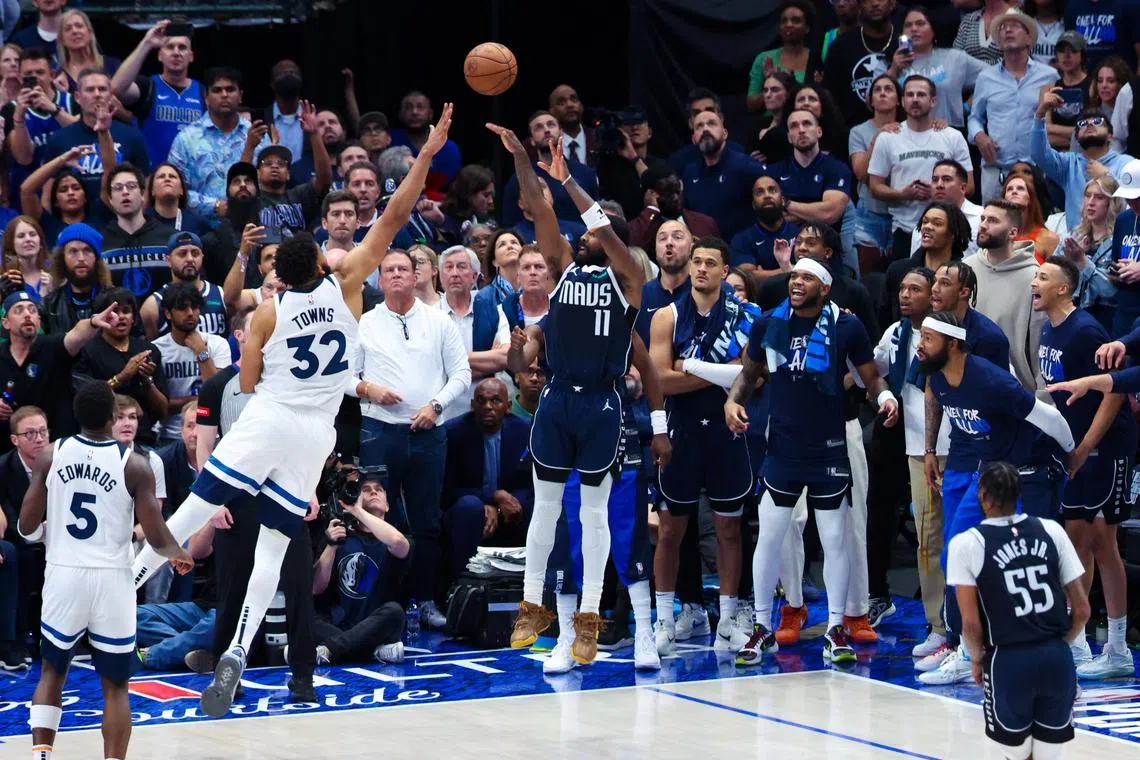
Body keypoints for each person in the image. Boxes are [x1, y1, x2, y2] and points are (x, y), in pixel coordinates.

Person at [128, 102, 455, 718]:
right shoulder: (351, 283)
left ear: (281, 270)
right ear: (326, 264)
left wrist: (260, 331)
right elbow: (393, 215)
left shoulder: (270, 312)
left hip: (269, 418)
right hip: (316, 436)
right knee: (276, 551)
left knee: (195, 506)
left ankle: (119, 598)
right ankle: (237, 654)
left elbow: (246, 379)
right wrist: (429, 152)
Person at [487, 124, 664, 667]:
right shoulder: (563, 271)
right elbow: (538, 209)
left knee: (594, 515)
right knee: (546, 509)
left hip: (604, 404)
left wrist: (570, 184)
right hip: (558, 399)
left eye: (594, 230)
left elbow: (602, 231)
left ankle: (589, 617)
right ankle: (533, 606)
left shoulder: (630, 275)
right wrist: (523, 158)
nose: (584, 235)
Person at [726, 258, 899, 666]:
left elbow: (870, 377)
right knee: (770, 536)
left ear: (825, 287)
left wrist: (886, 398)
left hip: (828, 447)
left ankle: (836, 626)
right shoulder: (769, 324)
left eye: (807, 277)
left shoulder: (846, 326)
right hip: (783, 446)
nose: (797, 282)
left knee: (836, 539)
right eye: (794, 276)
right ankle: (762, 628)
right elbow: (748, 376)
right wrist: (733, 402)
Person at [17, 380, 191, 760]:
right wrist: (179, 553)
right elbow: (158, 536)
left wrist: (52, 531)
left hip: (66, 574)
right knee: (116, 686)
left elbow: (26, 528)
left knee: (52, 672)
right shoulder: (135, 465)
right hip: (113, 579)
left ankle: (41, 756)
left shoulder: (51, 454)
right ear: (113, 418)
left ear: (75, 416)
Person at [917, 311, 1076, 686]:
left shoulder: (992, 381)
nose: (920, 346)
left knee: (1036, 562)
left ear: (953, 345)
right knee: (954, 551)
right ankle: (963, 649)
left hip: (1031, 473)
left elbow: (1049, 418)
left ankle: (1059, 656)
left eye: (928, 339)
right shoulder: (936, 378)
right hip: (990, 473)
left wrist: (1073, 455)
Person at [650, 236, 759, 655]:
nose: (701, 269)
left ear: (725, 271)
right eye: (697, 262)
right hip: (681, 431)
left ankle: (728, 618)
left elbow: (751, 376)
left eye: (710, 263)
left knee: (730, 528)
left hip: (725, 428)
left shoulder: (746, 315)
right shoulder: (666, 316)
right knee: (671, 529)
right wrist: (722, 372)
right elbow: (660, 380)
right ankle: (664, 619)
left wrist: (690, 366)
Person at [353, 245, 470, 628]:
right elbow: (343, 379)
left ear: (417, 276)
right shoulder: (365, 323)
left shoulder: (439, 322)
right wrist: (370, 390)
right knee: (375, 516)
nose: (399, 275)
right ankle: (379, 604)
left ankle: (426, 600)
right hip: (379, 430)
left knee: (426, 521)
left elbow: (461, 374)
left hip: (427, 431)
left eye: (405, 269)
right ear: (381, 279)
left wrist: (435, 406)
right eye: (390, 271)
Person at [1035, 257, 1136, 681]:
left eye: (1042, 277)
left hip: (1106, 447)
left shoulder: (1086, 331)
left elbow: (1114, 395)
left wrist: (1086, 447)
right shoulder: (1046, 329)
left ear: (1065, 288)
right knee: (1075, 537)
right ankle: (1078, 639)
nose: (1034, 283)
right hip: (1074, 446)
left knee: (1101, 541)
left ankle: (1115, 646)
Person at [948, 461, 1089, 760]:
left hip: (1009, 661)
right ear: (1019, 493)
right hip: (1056, 659)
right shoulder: (1051, 530)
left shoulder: (966, 544)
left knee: (1019, 755)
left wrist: (976, 660)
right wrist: (1059, 645)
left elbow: (970, 625)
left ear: (982, 495)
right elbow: (1082, 610)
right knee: (1048, 756)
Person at [873, 266, 951, 661]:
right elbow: (870, 373)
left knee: (963, 537)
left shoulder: (953, 333)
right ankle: (938, 626)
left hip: (961, 447)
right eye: (902, 288)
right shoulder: (895, 334)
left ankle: (971, 625)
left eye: (915, 289)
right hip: (918, 450)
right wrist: (885, 397)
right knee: (927, 539)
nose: (905, 295)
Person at [868, 75, 972, 260]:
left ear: (933, 101)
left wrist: (938, 193)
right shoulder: (888, 137)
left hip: (946, 229)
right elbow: (875, 187)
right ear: (902, 101)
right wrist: (902, 194)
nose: (915, 99)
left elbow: (969, 186)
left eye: (921, 95)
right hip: (903, 229)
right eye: (910, 95)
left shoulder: (952, 136)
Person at [313, 471, 410, 665]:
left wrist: (358, 512)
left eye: (378, 490)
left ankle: (332, 650)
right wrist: (331, 545)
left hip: (378, 625)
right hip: (340, 625)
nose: (373, 492)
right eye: (365, 490)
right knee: (306, 614)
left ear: (388, 505)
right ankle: (371, 652)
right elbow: (315, 587)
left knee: (395, 612)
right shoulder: (338, 535)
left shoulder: (395, 537)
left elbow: (399, 543)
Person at [441, 378, 534, 577]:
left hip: (509, 511)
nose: (488, 407)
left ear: (508, 407)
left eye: (495, 401)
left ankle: (531, 584)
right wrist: (492, 496)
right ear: (473, 406)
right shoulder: (454, 432)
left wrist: (502, 505)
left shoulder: (524, 431)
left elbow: (529, 484)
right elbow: (446, 490)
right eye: (481, 401)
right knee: (470, 506)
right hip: (468, 512)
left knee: (536, 505)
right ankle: (463, 583)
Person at [968, 8, 1058, 200]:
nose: (1007, 30)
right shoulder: (986, 77)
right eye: (1003, 28)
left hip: (1035, 169)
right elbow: (975, 117)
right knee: (993, 224)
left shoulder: (1049, 76)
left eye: (1015, 26)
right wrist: (979, 136)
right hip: (996, 168)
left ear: (1029, 39)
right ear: (999, 41)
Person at [963, 199, 1046, 393]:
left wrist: (1043, 398)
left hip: (1016, 391)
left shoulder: (1034, 278)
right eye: (983, 218)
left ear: (1013, 233)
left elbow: (1039, 343)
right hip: (967, 386)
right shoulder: (966, 269)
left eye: (992, 220)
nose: (983, 225)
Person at [168, 66, 269, 221]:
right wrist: (215, 207)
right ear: (206, 98)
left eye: (230, 89)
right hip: (202, 231)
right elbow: (176, 190)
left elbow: (271, 185)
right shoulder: (186, 139)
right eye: (217, 90)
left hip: (253, 225)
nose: (224, 95)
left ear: (240, 96)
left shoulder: (258, 136)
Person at [43, 69, 150, 203]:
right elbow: (47, 195)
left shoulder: (132, 136)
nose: (97, 94)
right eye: (90, 90)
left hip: (119, 219)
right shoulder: (59, 139)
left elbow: (145, 188)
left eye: (102, 89)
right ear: (77, 97)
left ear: (111, 96)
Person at [1032, 96, 1135, 231]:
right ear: (1077, 138)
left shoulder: (1128, 164)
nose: (1090, 125)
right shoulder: (1068, 164)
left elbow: (1134, 203)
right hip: (1077, 244)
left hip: (1114, 243)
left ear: (1111, 136)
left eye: (1098, 122)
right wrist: (1040, 114)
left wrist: (1108, 177)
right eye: (1083, 124)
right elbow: (1038, 154)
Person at [111, 19, 205, 165]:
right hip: (151, 179)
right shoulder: (148, 86)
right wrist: (146, 43)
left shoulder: (203, 92)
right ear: (159, 55)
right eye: (170, 47)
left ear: (191, 56)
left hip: (192, 179)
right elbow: (116, 89)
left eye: (182, 47)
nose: (176, 53)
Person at [150, 281, 230, 444]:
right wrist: (198, 399)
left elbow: (219, 395)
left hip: (212, 431)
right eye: (182, 308)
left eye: (194, 307)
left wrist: (202, 353)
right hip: (171, 435)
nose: (190, 313)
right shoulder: (157, 349)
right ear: (167, 313)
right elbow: (161, 407)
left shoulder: (217, 344)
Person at [3, 47, 79, 211]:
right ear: (19, 77)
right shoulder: (11, 110)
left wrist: (54, 109)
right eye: (29, 74)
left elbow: (83, 135)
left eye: (40, 72)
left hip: (72, 190)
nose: (35, 78)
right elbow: (24, 158)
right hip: (29, 196)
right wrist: (19, 120)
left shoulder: (72, 101)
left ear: (52, 75)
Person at [890, 6, 987, 130]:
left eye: (921, 24)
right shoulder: (893, 61)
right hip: (906, 135)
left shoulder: (955, 58)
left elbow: (994, 77)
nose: (914, 29)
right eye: (908, 25)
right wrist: (893, 70)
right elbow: (869, 100)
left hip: (950, 132)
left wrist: (968, 106)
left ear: (933, 29)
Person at [760, 109, 851, 241]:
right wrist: (814, 211)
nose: (801, 130)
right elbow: (771, 218)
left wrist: (786, 204)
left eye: (807, 123)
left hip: (825, 247)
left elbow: (829, 213)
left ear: (819, 131)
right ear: (789, 137)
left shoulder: (837, 168)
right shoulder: (773, 172)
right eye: (794, 126)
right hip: (783, 245)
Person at [680, 110, 766, 241]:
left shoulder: (746, 167)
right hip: (704, 251)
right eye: (699, 126)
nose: (705, 129)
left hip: (742, 250)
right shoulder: (689, 173)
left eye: (711, 124)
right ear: (694, 139)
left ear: (725, 133)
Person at [884, 202, 973, 326]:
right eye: (925, 222)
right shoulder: (898, 270)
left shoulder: (962, 276)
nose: (928, 227)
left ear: (953, 233)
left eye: (937, 223)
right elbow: (886, 317)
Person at [100, 163, 177, 301]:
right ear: (110, 199)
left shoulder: (170, 238)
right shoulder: (100, 242)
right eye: (118, 188)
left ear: (143, 194)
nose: (125, 192)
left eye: (131, 186)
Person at [850, 74, 902, 271]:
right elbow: (861, 174)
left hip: (901, 212)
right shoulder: (858, 132)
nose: (882, 93)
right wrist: (879, 136)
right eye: (877, 90)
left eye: (888, 89)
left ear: (899, 99)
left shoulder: (908, 128)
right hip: (869, 213)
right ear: (870, 100)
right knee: (868, 276)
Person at [823, 0, 899, 126]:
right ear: (858, 7)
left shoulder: (903, 41)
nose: (875, 3)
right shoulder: (840, 46)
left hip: (901, 128)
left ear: (892, 4)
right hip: (852, 130)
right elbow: (830, 96)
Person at [1060, 176, 1123, 328]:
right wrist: (1070, 261)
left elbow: (1111, 291)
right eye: (1088, 196)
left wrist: (1082, 261)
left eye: (1099, 197)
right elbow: (1054, 275)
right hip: (1070, 313)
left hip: (1105, 318)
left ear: (1112, 203)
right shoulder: (1074, 236)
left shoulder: (1120, 238)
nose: (1091, 202)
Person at [139, 233, 224, 345]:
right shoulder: (153, 305)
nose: (190, 259)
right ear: (168, 260)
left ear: (202, 258)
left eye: (195, 253)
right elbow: (151, 350)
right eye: (182, 254)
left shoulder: (221, 294)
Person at [628, 166, 719, 251]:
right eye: (668, 193)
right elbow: (635, 252)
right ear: (651, 195)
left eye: (677, 191)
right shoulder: (640, 227)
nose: (675, 198)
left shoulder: (705, 223)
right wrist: (652, 210)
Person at [907, 160, 983, 259]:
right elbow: (915, 266)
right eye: (935, 180)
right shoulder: (924, 224)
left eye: (946, 179)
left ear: (963, 188)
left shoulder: (982, 218)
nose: (939, 185)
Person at [746, 0, 822, 97]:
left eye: (796, 21)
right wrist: (774, 86)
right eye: (784, 21)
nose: (788, 25)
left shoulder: (817, 58)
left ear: (807, 28)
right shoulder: (764, 59)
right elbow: (751, 103)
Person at [389, 90, 461, 187]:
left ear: (430, 114)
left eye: (420, 107)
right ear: (401, 114)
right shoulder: (390, 140)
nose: (414, 112)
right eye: (408, 107)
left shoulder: (449, 148)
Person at [1045, 31, 1093, 150]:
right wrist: (1077, 134)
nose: (1066, 55)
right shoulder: (1049, 89)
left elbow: (1092, 132)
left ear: (1082, 55)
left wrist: (1053, 128)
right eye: (1061, 51)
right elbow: (1046, 135)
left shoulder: (1093, 87)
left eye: (1072, 50)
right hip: (1056, 158)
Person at [1002, 172, 1060, 265]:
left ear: (1030, 198)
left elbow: (1055, 276)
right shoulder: (997, 235)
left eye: (1020, 188)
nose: (1014, 191)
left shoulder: (1048, 238)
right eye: (1009, 189)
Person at [146, 163, 210, 237]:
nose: (167, 179)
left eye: (172, 176)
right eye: (161, 177)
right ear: (152, 190)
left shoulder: (198, 223)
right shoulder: (143, 221)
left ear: (181, 190)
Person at [2, 215, 53, 302]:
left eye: (32, 234)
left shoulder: (55, 273)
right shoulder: (5, 281)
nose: (28, 239)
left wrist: (54, 293)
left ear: (40, 241)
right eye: (21, 236)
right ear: (11, 244)